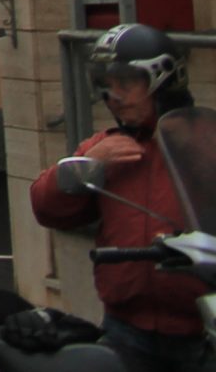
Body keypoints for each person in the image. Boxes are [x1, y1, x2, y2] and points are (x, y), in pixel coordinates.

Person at [30, 24, 208, 372]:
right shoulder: (106, 148)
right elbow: (47, 208)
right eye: (107, 85)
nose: (115, 96)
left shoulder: (205, 145)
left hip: (202, 329)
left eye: (126, 82)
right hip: (126, 329)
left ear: (163, 79)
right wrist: (89, 166)